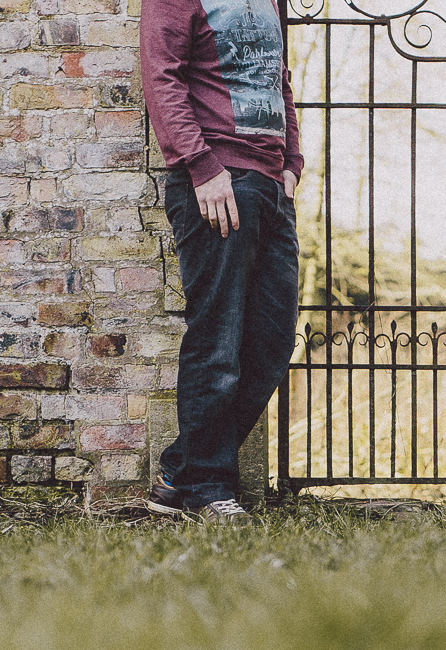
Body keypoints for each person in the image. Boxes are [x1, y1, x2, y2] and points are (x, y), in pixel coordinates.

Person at [140, 0, 304, 521]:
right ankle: (208, 491)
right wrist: (201, 165)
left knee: (274, 342)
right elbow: (160, 77)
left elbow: (278, 79)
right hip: (216, 182)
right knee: (218, 338)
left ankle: (177, 473)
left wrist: (293, 161)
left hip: (272, 186)